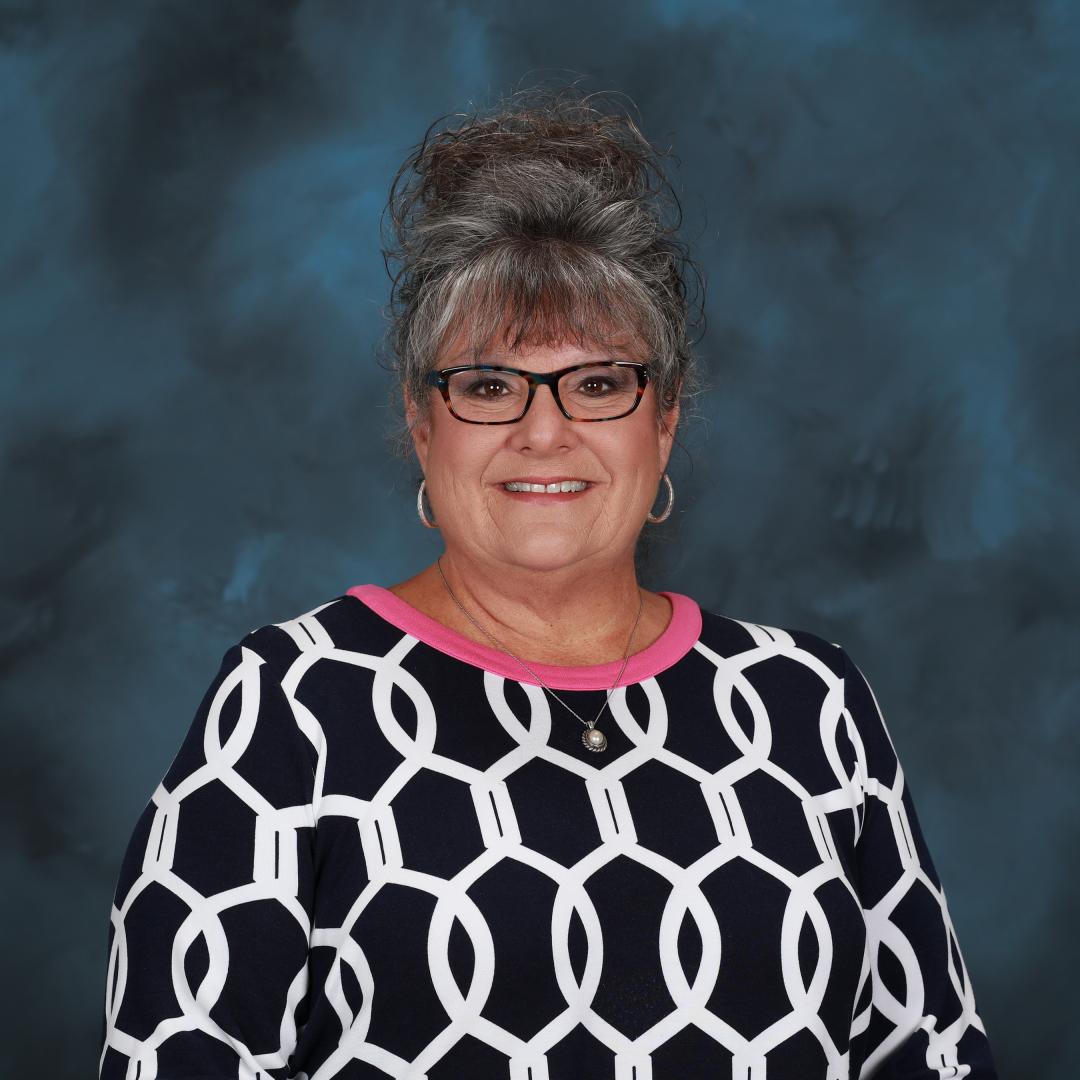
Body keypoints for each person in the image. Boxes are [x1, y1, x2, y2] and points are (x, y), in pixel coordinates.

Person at [97, 86, 998, 1079]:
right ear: (420, 421)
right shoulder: (293, 708)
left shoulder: (809, 706)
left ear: (665, 420)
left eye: (599, 383)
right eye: (488, 384)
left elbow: (931, 1057)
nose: (543, 430)